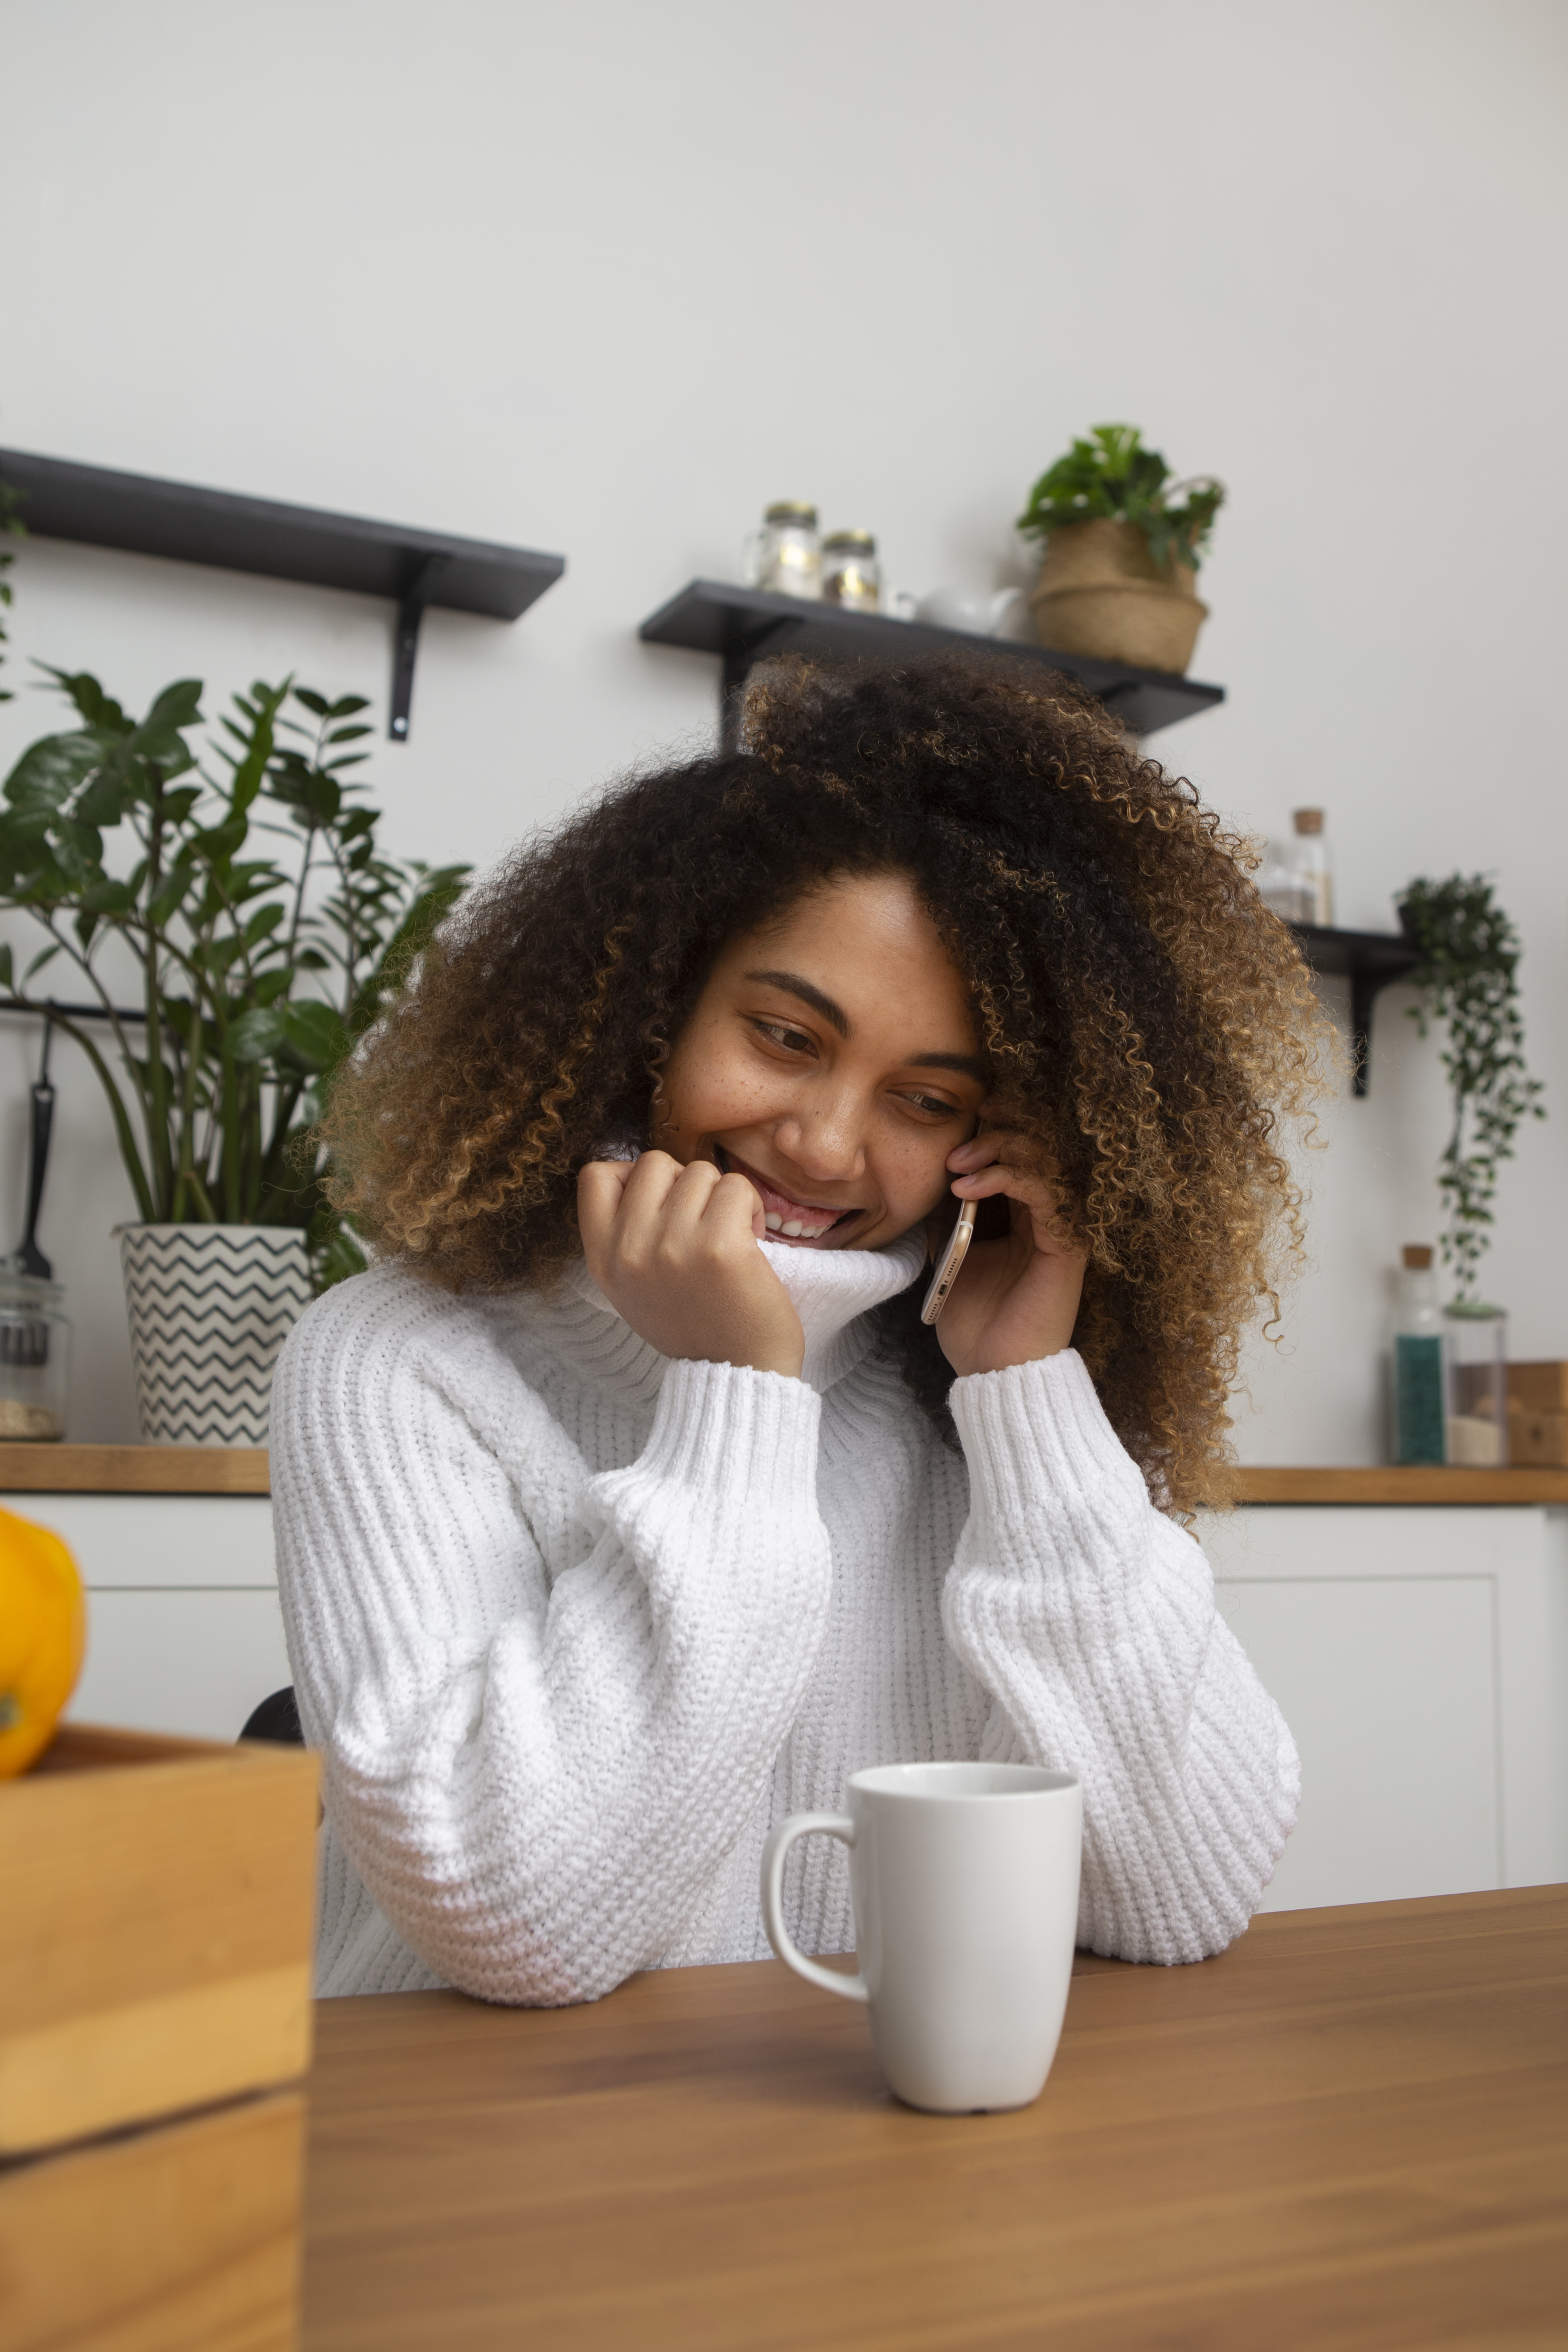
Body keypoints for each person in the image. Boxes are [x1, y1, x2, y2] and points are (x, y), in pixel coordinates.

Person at [271, 649, 1322, 2003]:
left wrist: (1031, 1400)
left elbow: (1179, 1893)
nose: (825, 1142)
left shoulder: (967, 1405)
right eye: (782, 1035)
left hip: (869, 2175)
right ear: (658, 1008)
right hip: (479, 2170)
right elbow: (511, 1922)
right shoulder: (398, 1357)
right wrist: (732, 1390)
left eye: (928, 1099)